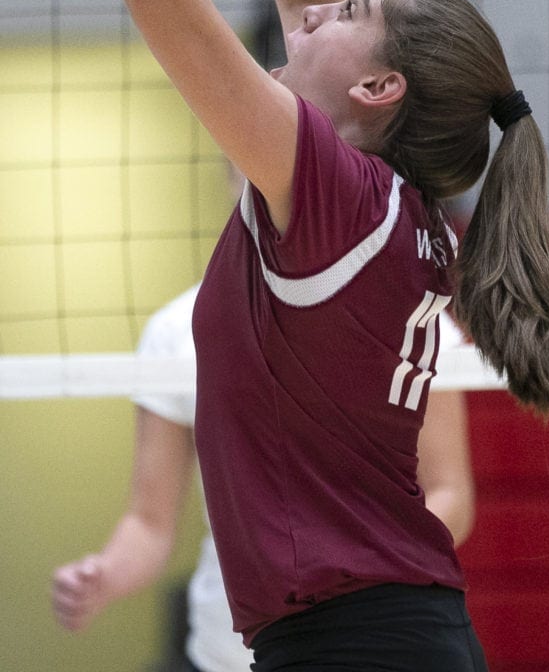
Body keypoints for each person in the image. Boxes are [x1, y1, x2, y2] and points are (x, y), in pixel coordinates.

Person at [112, 0, 549, 671]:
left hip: (355, 647)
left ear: (377, 84)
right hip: (381, 639)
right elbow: (311, 3)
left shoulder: (336, 194)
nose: (312, 16)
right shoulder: (383, 199)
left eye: (352, 7)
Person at [51, 286, 475, 672]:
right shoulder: (177, 330)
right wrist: (105, 574)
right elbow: (149, 523)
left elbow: (449, 494)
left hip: (365, 641)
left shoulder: (409, 316)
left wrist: (353, 562)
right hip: (225, 652)